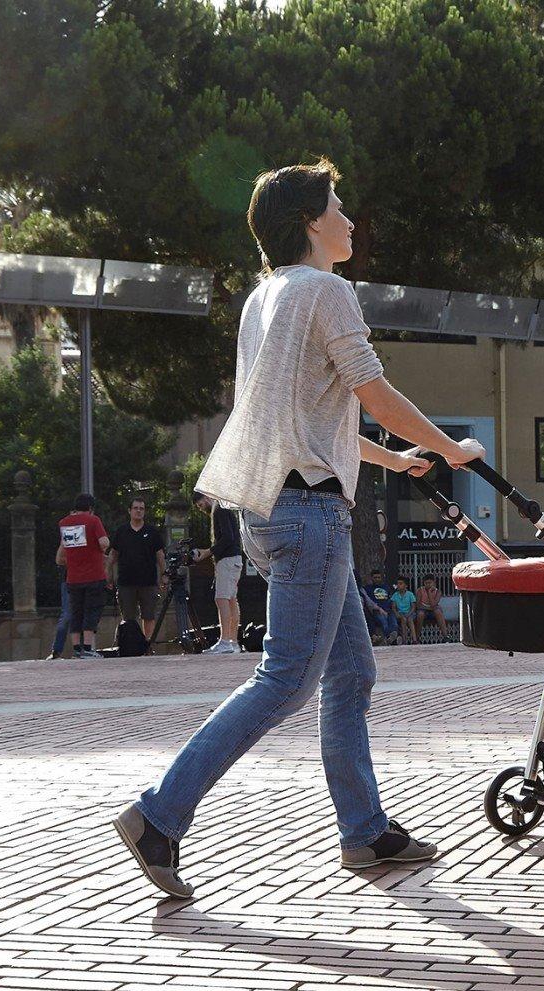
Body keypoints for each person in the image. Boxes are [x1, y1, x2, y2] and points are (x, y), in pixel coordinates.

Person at [112, 157, 485, 899]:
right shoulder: (327, 290)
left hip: (269, 506)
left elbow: (311, 417)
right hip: (310, 513)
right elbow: (374, 392)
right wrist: (449, 450)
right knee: (285, 679)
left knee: (351, 672)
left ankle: (365, 832)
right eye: (338, 207)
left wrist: (393, 459)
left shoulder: (265, 299)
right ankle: (159, 816)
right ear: (311, 222)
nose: (349, 220)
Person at [56, 494, 111, 658]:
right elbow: (104, 542)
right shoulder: (93, 521)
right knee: (91, 611)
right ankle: (87, 648)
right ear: (91, 508)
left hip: (73, 577)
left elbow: (63, 553)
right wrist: (101, 550)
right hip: (94, 575)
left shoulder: (64, 523)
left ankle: (76, 649)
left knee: (76, 612)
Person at [107, 496, 166, 643]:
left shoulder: (152, 531)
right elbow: (113, 555)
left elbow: (160, 555)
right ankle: (130, 645)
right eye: (136, 508)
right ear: (129, 510)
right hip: (126, 582)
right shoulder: (122, 531)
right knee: (128, 619)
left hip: (148, 582)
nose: (139, 511)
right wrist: (108, 574)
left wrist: (164, 575)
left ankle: (148, 646)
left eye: (141, 508)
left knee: (149, 616)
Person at [192, 492, 244, 654]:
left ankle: (225, 641)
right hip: (234, 559)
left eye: (200, 505)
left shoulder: (218, 509)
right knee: (231, 600)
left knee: (221, 599)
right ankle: (233, 642)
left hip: (227, 560)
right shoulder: (224, 506)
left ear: (206, 498)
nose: (201, 509)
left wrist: (207, 553)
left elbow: (227, 538)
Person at [359, 569, 399, 646]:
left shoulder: (386, 587)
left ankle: (392, 638)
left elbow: (390, 599)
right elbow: (369, 602)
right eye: (375, 577)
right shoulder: (367, 589)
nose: (377, 579)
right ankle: (391, 638)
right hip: (377, 611)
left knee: (394, 623)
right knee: (384, 622)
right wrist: (378, 608)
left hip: (388, 610)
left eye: (378, 577)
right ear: (371, 578)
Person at [45, 559, 71, 660]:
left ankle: (84, 649)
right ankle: (56, 651)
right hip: (70, 579)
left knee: (84, 615)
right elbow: (59, 559)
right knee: (67, 615)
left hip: (87, 579)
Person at [416, 575, 450, 640]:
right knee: (420, 614)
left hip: (432, 610)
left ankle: (445, 636)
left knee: (438, 612)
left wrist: (429, 593)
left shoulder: (438, 592)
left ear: (434, 583)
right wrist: (429, 608)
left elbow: (433, 604)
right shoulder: (420, 591)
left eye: (430, 583)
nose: (428, 585)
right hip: (422, 609)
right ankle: (417, 637)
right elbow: (418, 605)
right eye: (426, 583)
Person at [391, 577, 419, 643]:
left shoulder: (410, 594)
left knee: (410, 620)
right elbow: (393, 607)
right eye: (397, 584)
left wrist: (409, 614)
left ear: (406, 585)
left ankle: (414, 639)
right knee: (403, 619)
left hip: (410, 612)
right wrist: (396, 613)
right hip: (400, 613)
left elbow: (413, 607)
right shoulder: (395, 595)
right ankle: (404, 640)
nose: (398, 585)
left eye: (401, 584)